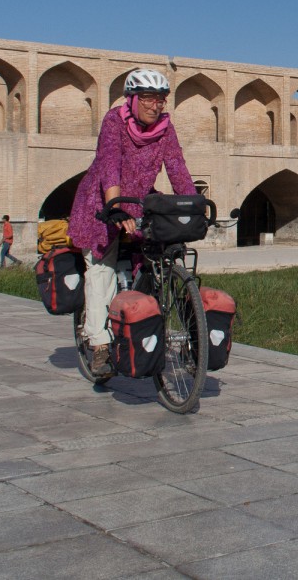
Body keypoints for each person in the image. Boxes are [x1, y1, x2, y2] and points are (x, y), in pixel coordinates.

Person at [67, 69, 197, 376]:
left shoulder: (166, 129)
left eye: (161, 100)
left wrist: (192, 206)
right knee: (102, 268)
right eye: (150, 99)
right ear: (133, 99)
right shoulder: (115, 121)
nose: (156, 106)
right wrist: (115, 207)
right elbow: (109, 164)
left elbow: (177, 167)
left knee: (161, 257)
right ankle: (99, 346)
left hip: (141, 203)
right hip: (101, 203)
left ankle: (171, 331)